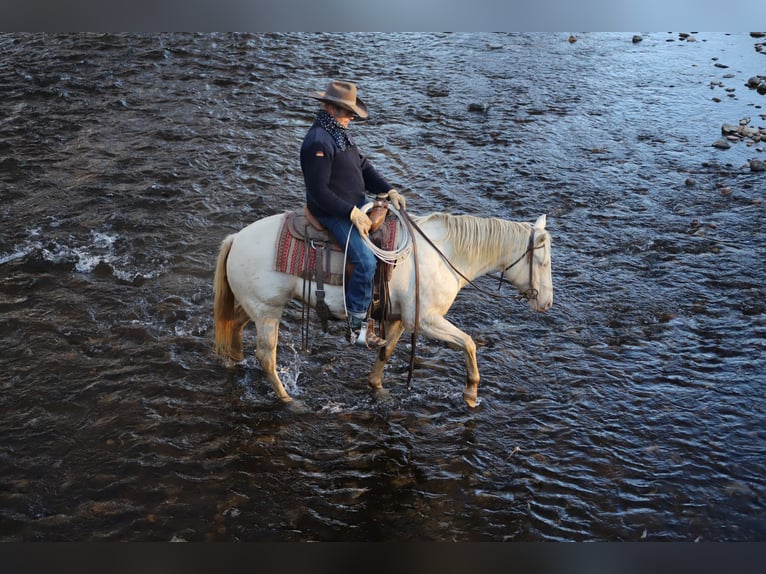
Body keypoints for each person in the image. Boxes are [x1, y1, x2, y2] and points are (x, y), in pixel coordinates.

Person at [300, 80, 406, 348]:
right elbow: (319, 192)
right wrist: (350, 213)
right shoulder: (318, 142)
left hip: (354, 204)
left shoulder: (339, 133)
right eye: (349, 112)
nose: (351, 117)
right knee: (366, 262)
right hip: (331, 211)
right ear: (333, 108)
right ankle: (356, 328)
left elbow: (363, 167)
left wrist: (388, 189)